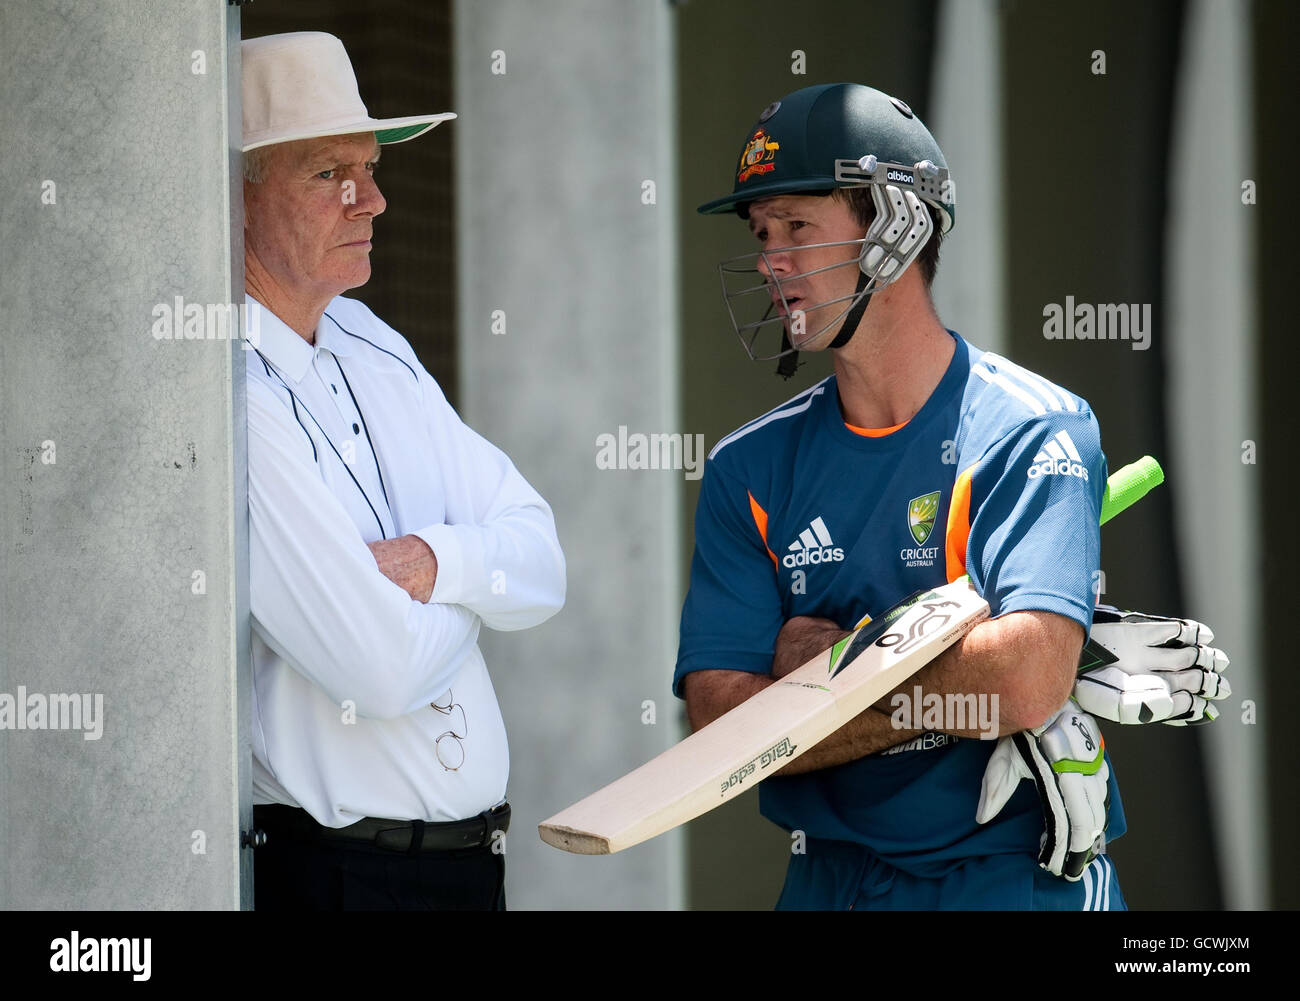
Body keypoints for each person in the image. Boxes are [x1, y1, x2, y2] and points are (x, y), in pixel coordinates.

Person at [674, 83, 1228, 910]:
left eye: (796, 226)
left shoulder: (1034, 429)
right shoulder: (745, 468)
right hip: (828, 879)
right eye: (761, 234)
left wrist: (815, 675)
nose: (770, 259)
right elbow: (720, 727)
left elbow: (1027, 676)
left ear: (898, 230)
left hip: (1009, 876)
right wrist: (962, 681)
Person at [239, 31, 565, 910]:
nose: (372, 200)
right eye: (326, 174)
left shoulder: (370, 337)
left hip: (465, 869)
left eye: (370, 167)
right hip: (336, 879)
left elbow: (543, 562)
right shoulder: (225, 386)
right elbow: (377, 668)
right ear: (236, 194)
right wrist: (476, 581)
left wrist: (432, 564)